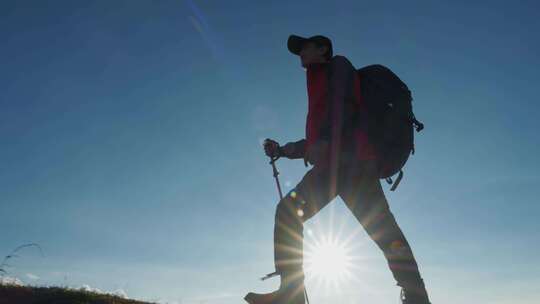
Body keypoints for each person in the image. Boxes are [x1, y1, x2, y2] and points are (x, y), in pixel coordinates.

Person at [244, 35, 431, 304]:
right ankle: (416, 296)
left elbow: (345, 107)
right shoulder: (317, 80)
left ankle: (292, 296)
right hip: (341, 165)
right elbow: (317, 138)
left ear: (323, 49)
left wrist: (325, 141)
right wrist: (283, 151)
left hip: (348, 164)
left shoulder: (338, 66)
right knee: (383, 230)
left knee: (292, 213)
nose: (300, 53)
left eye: (305, 46)